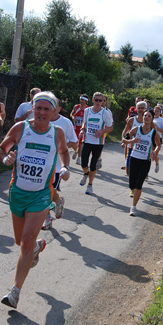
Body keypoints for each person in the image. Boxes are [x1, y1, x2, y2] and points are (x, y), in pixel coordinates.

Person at [0, 91, 70, 309]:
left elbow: (64, 152)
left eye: (47, 109)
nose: (42, 112)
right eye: (38, 108)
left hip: (40, 195)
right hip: (18, 192)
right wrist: (5, 157)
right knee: (21, 242)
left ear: (54, 112)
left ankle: (15, 292)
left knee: (26, 243)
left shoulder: (56, 133)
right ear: (32, 108)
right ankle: (37, 247)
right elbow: (1, 148)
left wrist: (65, 167)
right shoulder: (21, 128)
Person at [42, 98, 78, 230]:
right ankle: (47, 218)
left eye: (53, 106)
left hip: (56, 166)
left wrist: (59, 146)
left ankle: (57, 201)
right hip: (41, 165)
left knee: (49, 192)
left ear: (58, 108)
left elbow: (74, 142)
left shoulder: (65, 123)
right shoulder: (41, 120)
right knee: (44, 193)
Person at [123, 110, 160, 216]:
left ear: (152, 119)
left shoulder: (153, 133)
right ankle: (132, 190)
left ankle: (133, 206)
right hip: (134, 158)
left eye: (149, 116)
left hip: (145, 161)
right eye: (145, 116)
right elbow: (124, 140)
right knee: (132, 185)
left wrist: (155, 151)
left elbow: (158, 145)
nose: (146, 117)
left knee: (139, 185)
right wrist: (131, 141)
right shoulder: (136, 129)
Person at [78, 92, 113, 195]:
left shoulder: (105, 113)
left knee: (93, 165)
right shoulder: (87, 111)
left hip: (98, 143)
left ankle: (90, 185)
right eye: (96, 100)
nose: (98, 102)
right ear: (92, 100)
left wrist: (101, 132)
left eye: (100, 100)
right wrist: (82, 130)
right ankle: (85, 173)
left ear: (102, 101)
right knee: (83, 163)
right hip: (87, 140)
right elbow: (85, 123)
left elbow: (110, 127)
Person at [121, 100, 147, 178]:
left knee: (140, 168)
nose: (140, 110)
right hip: (132, 146)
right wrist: (123, 140)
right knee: (128, 170)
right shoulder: (132, 120)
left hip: (143, 148)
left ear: (145, 109)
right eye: (139, 108)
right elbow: (125, 131)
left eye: (142, 108)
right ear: (136, 109)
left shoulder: (148, 120)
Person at [70, 94, 88, 165]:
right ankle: (76, 150)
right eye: (81, 99)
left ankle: (79, 158)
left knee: (80, 144)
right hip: (75, 128)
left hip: (82, 129)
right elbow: (71, 114)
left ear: (86, 101)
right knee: (73, 142)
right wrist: (73, 117)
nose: (82, 101)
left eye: (83, 100)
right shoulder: (76, 106)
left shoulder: (88, 109)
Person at [153, 105, 163, 172]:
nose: (156, 112)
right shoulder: (150, 118)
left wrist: (157, 128)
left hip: (158, 139)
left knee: (155, 154)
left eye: (157, 111)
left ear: (160, 112)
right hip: (150, 138)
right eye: (155, 111)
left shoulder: (162, 120)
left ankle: (157, 164)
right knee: (148, 155)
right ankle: (145, 171)